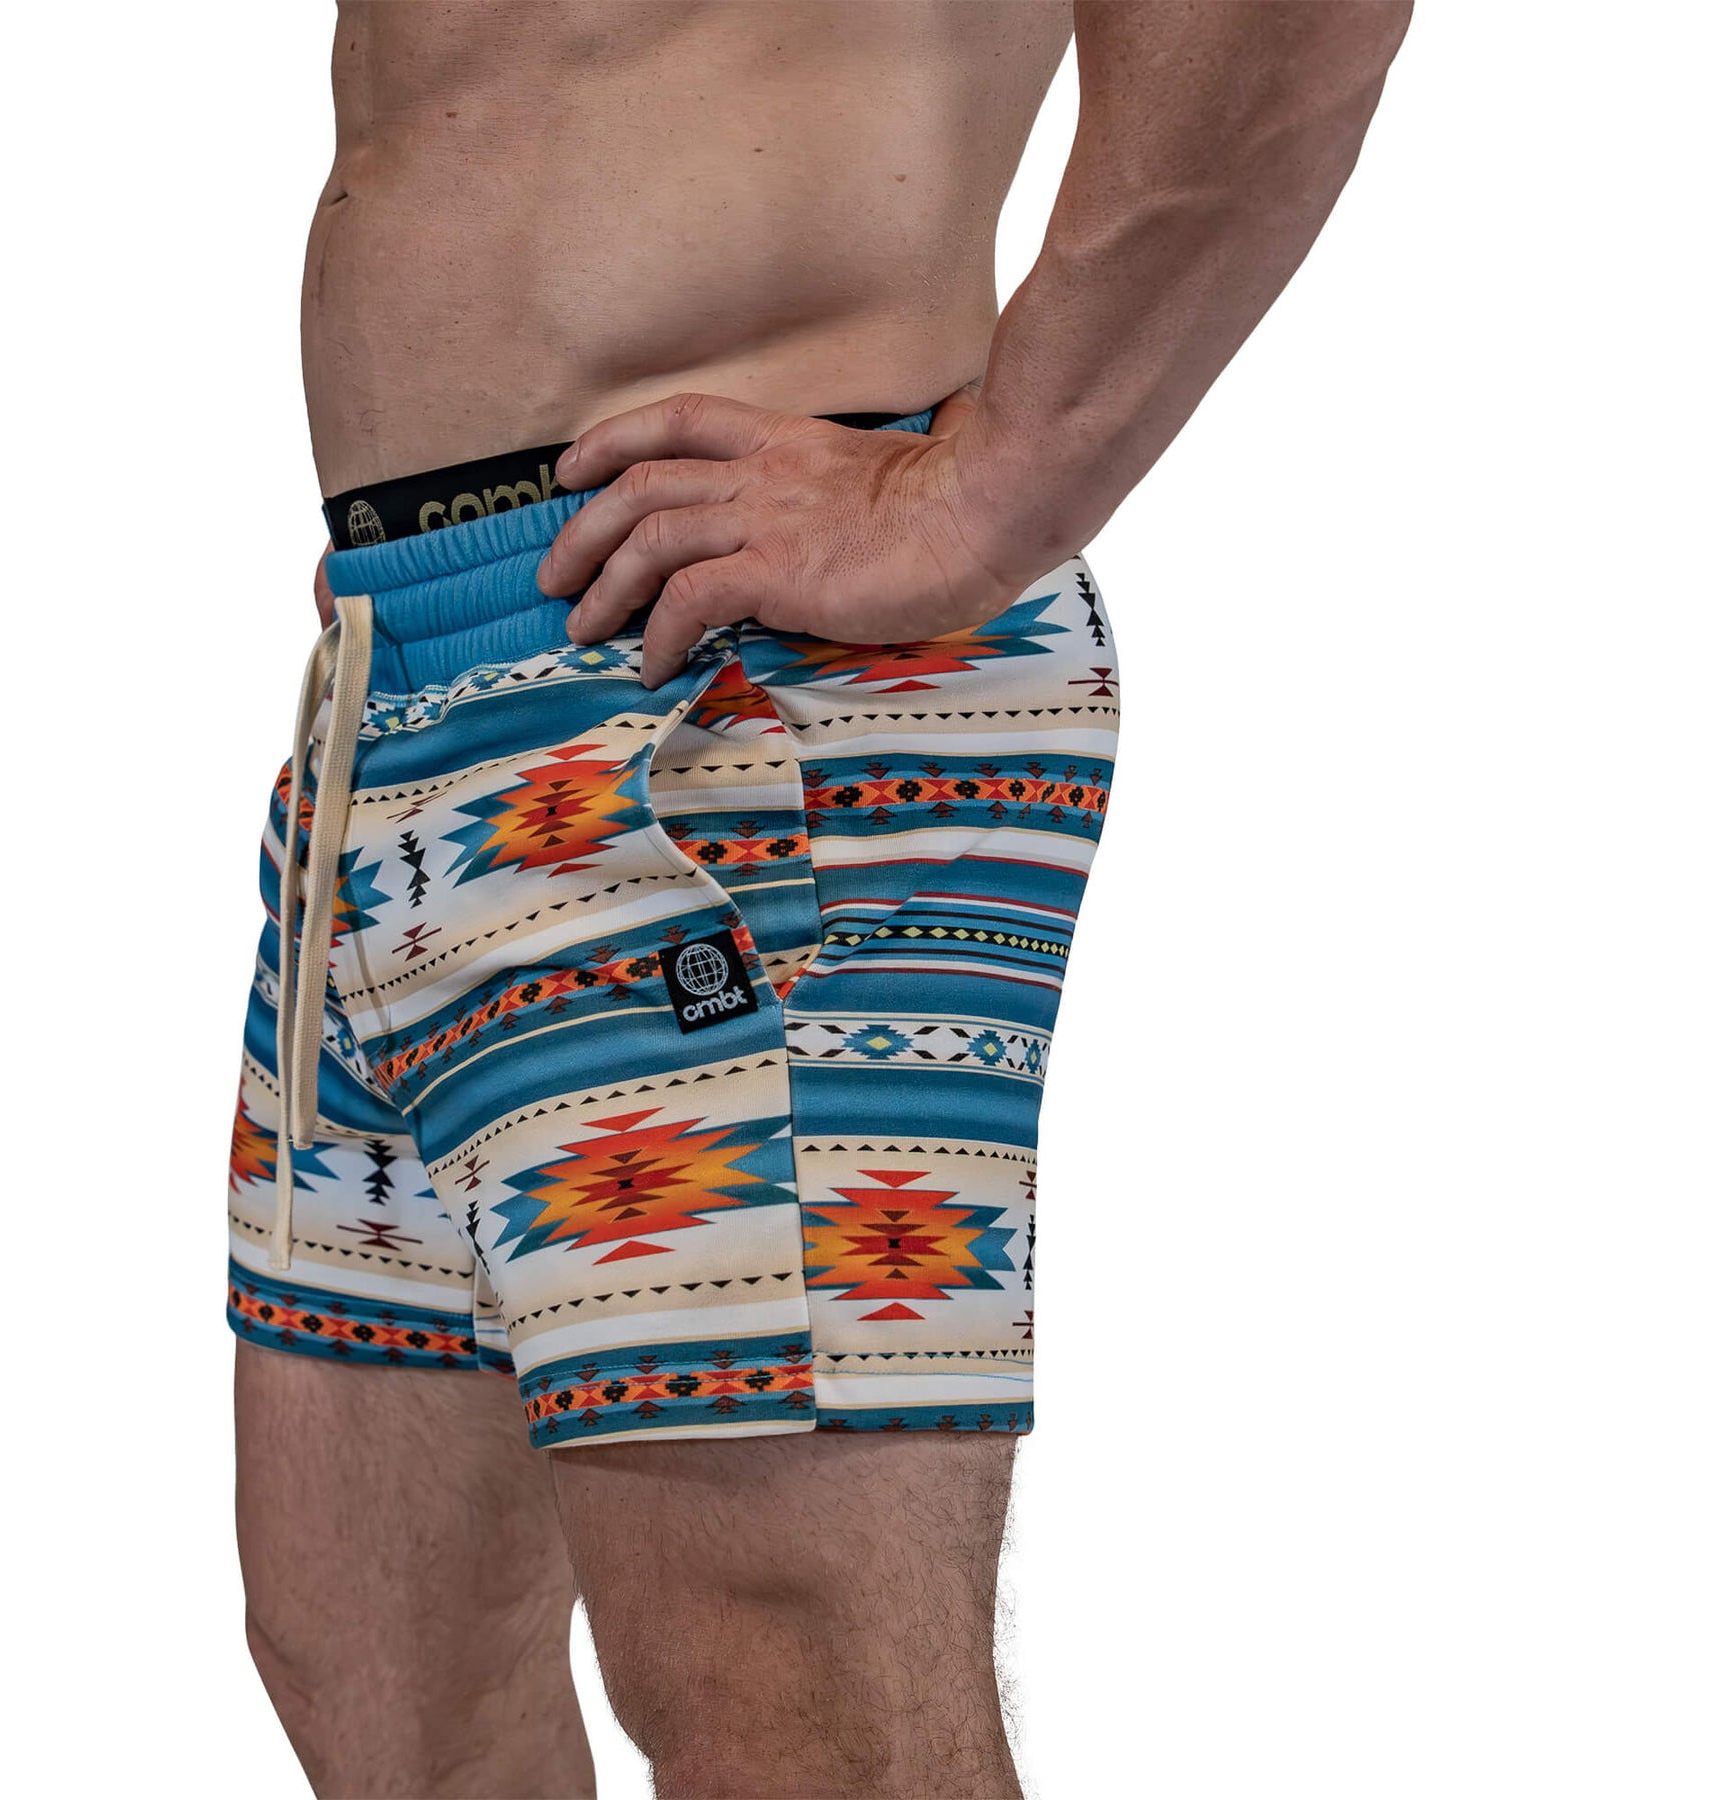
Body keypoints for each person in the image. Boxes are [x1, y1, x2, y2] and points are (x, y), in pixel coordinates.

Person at [227, 4, 1410, 1794]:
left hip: (728, 684)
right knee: (379, 1660)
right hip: (406, 694)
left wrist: (996, 487)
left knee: (789, 1686)